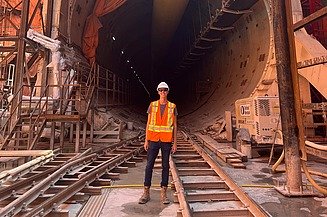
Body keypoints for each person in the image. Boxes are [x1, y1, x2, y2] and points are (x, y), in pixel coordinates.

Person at [139, 81, 177, 205]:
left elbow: (175, 126)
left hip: (166, 140)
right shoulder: (152, 105)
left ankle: (163, 193)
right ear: (158, 92)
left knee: (165, 167)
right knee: (149, 165)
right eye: (160, 90)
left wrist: (175, 143)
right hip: (153, 140)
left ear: (168, 91)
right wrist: (146, 140)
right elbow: (148, 123)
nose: (163, 92)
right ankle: (146, 192)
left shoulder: (172, 106)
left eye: (165, 90)